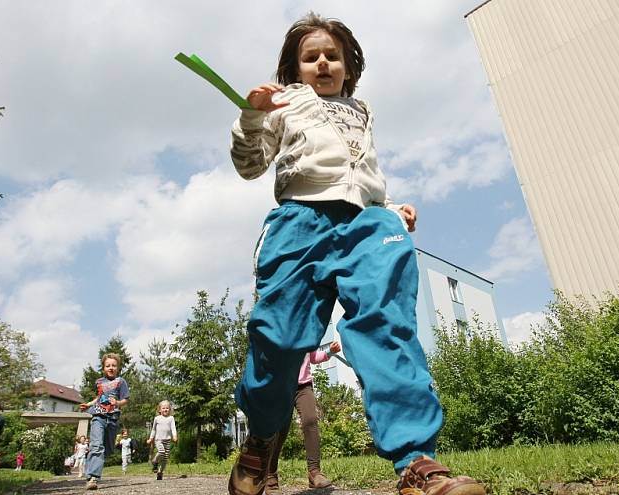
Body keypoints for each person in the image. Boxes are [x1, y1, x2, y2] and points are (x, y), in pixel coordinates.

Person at [227, 12, 487, 495]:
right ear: (295, 68)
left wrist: (387, 208)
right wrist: (252, 114)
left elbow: (359, 172)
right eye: (310, 58)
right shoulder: (284, 105)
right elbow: (250, 166)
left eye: (332, 56)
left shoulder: (360, 110)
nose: (322, 63)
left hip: (367, 225)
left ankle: (416, 462)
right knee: (278, 341)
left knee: (387, 328)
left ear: (347, 66)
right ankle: (262, 438)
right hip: (299, 222)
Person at [266, 341, 341, 490]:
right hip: (281, 387)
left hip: (303, 386)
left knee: (310, 420)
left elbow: (313, 357)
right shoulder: (278, 328)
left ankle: (314, 472)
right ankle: (270, 475)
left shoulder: (307, 330)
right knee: (281, 431)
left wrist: (330, 352)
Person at [79, 353, 130, 490]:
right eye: (108, 365)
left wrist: (118, 402)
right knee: (96, 446)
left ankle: (91, 466)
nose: (111, 368)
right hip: (98, 416)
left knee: (107, 449)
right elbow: (99, 398)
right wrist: (89, 404)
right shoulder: (100, 382)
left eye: (114, 365)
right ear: (103, 368)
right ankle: (92, 478)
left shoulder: (121, 382)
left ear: (118, 368)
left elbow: (126, 399)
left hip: (112, 418)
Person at [147, 400, 177, 481]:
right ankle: (154, 461)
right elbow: (153, 430)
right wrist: (150, 438)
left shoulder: (171, 418)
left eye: (167, 408)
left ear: (170, 409)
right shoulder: (157, 418)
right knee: (161, 451)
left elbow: (173, 428)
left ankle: (160, 473)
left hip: (167, 440)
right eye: (163, 408)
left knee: (165, 459)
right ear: (160, 410)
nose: (165, 409)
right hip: (158, 439)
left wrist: (174, 436)